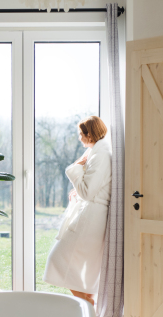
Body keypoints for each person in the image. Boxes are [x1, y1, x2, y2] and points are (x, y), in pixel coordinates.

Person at [43, 116, 112, 306]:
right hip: (92, 215)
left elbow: (88, 192)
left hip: (91, 217)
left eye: (81, 134)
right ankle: (87, 303)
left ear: (90, 134)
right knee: (78, 265)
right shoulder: (97, 152)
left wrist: (74, 169)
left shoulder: (100, 155)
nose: (80, 138)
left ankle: (86, 303)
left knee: (58, 258)